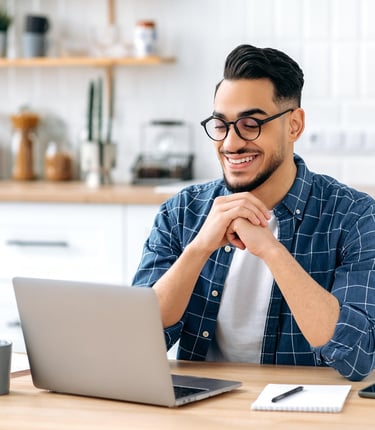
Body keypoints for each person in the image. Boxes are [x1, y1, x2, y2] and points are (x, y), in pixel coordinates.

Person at [132, 44, 375, 381]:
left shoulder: (354, 217)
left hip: (304, 413)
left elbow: (356, 355)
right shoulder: (182, 212)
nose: (231, 143)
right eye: (221, 125)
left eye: (250, 124)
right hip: (202, 410)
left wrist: (272, 251)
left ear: (294, 125)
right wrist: (199, 248)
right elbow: (138, 342)